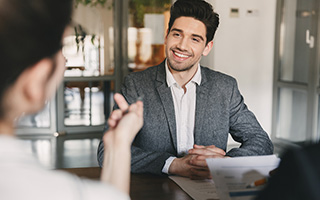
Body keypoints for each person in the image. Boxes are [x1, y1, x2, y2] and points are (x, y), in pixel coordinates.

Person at [97, 0, 273, 179]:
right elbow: (107, 153)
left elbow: (261, 141)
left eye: (195, 39)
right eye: (177, 34)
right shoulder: (136, 84)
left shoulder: (225, 88)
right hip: (155, 190)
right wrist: (173, 164)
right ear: (166, 36)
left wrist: (224, 163)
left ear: (207, 48)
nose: (182, 45)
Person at [0, 0, 143, 199]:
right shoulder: (64, 193)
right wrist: (121, 145)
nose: (65, 60)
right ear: (35, 82)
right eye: (62, 47)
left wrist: (117, 145)